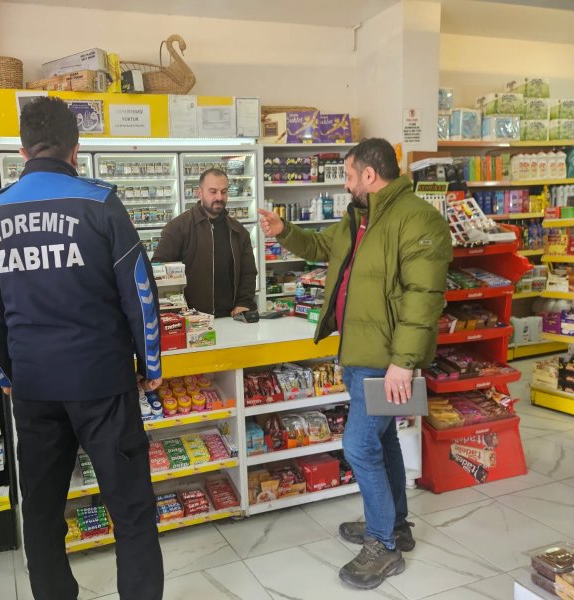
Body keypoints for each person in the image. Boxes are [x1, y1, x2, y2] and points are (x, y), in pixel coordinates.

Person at [0, 96, 164, 600]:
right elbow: (140, 294)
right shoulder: (100, 204)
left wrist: (8, 376)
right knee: (131, 508)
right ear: (75, 149)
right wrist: (151, 364)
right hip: (102, 381)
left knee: (41, 511)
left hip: (34, 386)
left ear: (22, 151)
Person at [258, 138, 452, 590]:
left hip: (385, 360)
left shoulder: (418, 219)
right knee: (382, 442)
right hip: (356, 353)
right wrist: (283, 230)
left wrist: (403, 362)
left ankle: (383, 546)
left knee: (359, 446)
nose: (345, 185)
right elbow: (319, 246)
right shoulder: (357, 218)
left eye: (348, 176)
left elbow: (424, 298)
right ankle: (395, 526)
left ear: (369, 174)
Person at [152, 168, 257, 317]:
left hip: (230, 317)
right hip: (190, 320)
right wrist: (174, 310)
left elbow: (248, 273)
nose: (219, 197)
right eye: (213, 191)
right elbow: (158, 269)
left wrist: (244, 303)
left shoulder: (238, 231)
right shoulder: (177, 228)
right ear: (199, 193)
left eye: (224, 192)